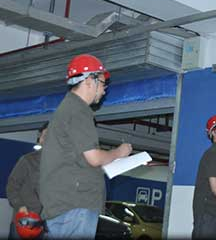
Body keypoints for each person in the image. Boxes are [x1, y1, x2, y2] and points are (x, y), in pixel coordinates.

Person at [39, 54, 133, 239]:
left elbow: (79, 159)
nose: (104, 90)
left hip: (64, 204)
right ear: (90, 80)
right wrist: (119, 152)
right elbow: (94, 158)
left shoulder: (67, 108)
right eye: (103, 83)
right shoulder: (79, 110)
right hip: (75, 204)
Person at [6, 122, 48, 239]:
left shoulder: (59, 165)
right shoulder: (27, 160)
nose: (46, 139)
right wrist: (20, 205)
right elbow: (12, 186)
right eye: (44, 135)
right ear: (40, 139)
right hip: (24, 221)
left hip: (45, 224)